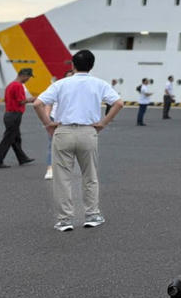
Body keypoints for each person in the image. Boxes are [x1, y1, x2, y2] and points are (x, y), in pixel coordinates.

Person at [33, 50, 123, 231]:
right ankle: (92, 215)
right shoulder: (99, 84)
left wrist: (48, 124)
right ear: (92, 66)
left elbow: (37, 103)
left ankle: (64, 219)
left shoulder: (61, 83)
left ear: (73, 65)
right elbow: (118, 103)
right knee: (90, 176)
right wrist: (103, 123)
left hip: (63, 131)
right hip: (88, 132)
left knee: (62, 178)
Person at [0, 68, 36, 168]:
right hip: (14, 115)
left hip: (9, 114)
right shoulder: (18, 86)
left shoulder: (11, 85)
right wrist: (33, 99)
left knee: (16, 138)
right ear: (24, 75)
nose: (28, 79)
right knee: (8, 139)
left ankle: (22, 158)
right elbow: (21, 101)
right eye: (28, 77)